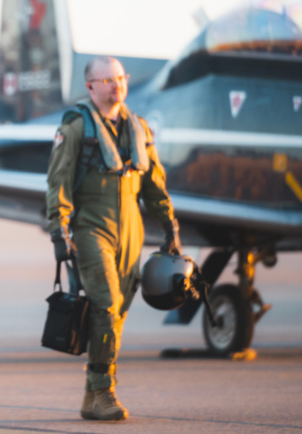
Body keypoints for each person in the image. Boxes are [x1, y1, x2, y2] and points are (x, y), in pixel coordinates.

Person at [45, 56, 180, 421]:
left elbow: (154, 185)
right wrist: (59, 229)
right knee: (104, 304)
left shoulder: (139, 128)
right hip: (92, 226)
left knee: (115, 314)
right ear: (90, 87)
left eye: (119, 78)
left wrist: (170, 227)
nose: (114, 85)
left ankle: (91, 396)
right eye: (105, 80)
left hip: (132, 230)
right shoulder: (75, 126)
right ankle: (105, 392)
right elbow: (58, 180)